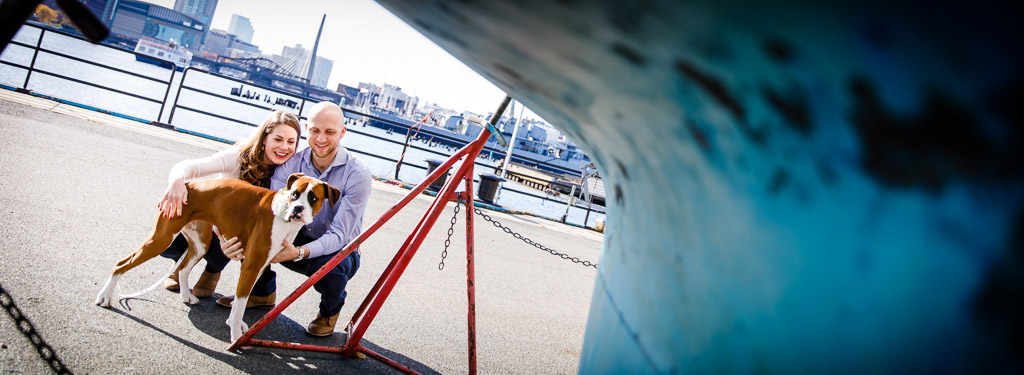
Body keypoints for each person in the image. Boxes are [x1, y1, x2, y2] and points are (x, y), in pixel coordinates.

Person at [216, 101, 372, 337]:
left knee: (332, 268)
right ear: (307, 129)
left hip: (335, 248)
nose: (321, 139)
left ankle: (329, 311)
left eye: (330, 132)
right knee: (254, 236)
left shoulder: (357, 173)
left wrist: (299, 252)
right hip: (290, 235)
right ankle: (260, 292)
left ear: (342, 132)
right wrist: (229, 238)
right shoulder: (291, 164)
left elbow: (340, 235)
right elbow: (271, 213)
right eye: (315, 131)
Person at [158, 110, 301, 298]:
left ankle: (212, 271)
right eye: (278, 139)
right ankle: (180, 262)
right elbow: (190, 166)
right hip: (212, 219)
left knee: (230, 242)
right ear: (265, 138)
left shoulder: (291, 174)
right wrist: (176, 181)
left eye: (291, 142)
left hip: (242, 233)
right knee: (168, 240)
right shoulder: (238, 158)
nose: (284, 147)